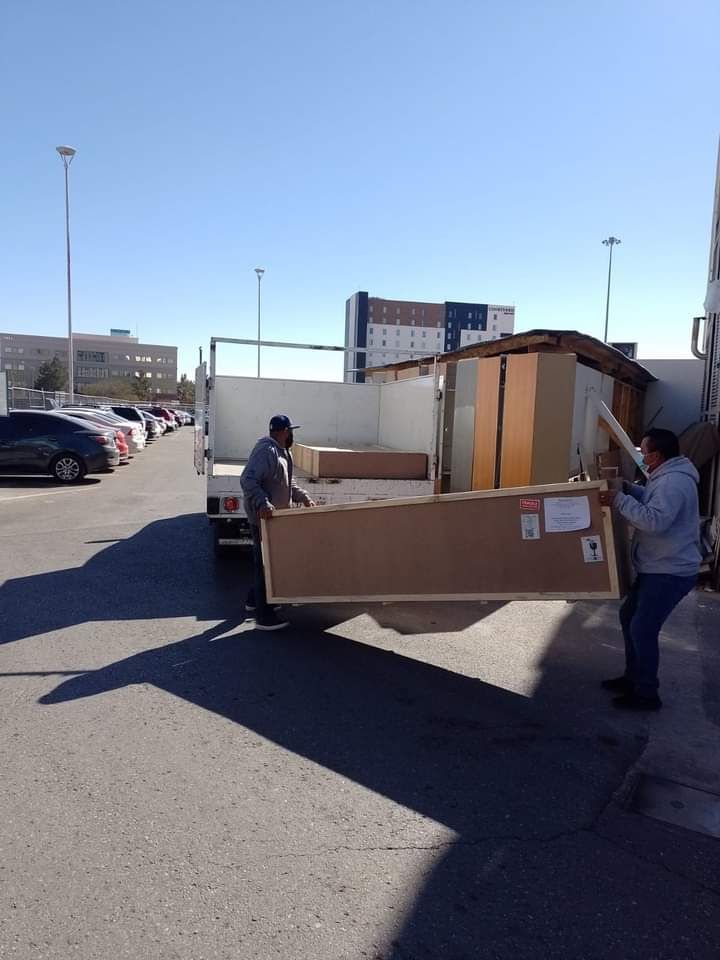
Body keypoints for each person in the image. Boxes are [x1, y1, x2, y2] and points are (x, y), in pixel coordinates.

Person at [600, 428, 701, 711]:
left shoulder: (673, 482)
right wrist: (631, 490)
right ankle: (633, 678)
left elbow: (655, 521)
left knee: (642, 628)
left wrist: (620, 500)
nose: (642, 458)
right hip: (657, 565)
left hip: (669, 571)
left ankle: (646, 694)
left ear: (656, 455)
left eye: (644, 453)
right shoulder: (666, 475)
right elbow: (655, 501)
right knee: (629, 617)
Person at [240, 414, 315, 631]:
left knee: (269, 563)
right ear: (283, 432)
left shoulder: (283, 452)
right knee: (265, 565)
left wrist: (303, 497)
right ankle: (264, 617)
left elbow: (288, 483)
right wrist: (263, 502)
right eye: (290, 431)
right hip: (263, 520)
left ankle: (254, 601)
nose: (292, 435)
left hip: (276, 520)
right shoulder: (266, 451)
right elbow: (247, 479)